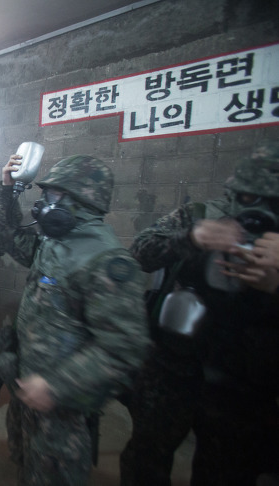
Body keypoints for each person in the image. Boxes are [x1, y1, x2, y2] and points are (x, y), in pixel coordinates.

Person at [120, 142, 279, 486]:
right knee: (146, 458)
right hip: (172, 367)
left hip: (243, 384)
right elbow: (138, 253)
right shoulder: (201, 215)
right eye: (251, 198)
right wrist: (191, 238)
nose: (261, 211)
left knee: (226, 472)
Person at [0, 154, 150, 485]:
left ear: (82, 201)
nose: (44, 204)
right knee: (25, 463)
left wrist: (56, 386)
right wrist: (7, 190)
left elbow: (124, 349)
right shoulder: (56, 242)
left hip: (61, 405)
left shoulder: (107, 262)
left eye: (53, 195)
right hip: (30, 388)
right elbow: (10, 238)